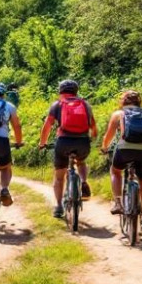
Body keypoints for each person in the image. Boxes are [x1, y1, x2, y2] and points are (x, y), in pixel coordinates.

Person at [37, 79, 97, 218]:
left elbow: (47, 125)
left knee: (59, 176)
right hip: (82, 142)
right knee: (81, 162)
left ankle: (58, 207)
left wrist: (42, 143)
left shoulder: (57, 104)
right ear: (76, 91)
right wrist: (92, 139)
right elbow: (93, 126)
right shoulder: (85, 104)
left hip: (63, 142)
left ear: (60, 91)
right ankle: (83, 182)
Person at [101, 89, 142, 227]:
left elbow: (109, 135)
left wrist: (104, 147)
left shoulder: (118, 114)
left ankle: (118, 203)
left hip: (124, 150)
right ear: (139, 101)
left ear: (123, 101)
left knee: (115, 171)